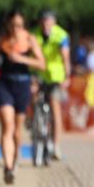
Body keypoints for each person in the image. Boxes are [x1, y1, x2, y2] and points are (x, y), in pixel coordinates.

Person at [0, 9, 46, 185]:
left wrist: (21, 59)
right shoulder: (0, 40)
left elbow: (42, 64)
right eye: (12, 25)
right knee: (7, 126)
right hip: (4, 83)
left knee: (17, 130)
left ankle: (16, 155)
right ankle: (8, 166)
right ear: (7, 24)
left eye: (19, 25)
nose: (15, 29)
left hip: (22, 84)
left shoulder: (29, 39)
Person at [34, 11, 71, 160]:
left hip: (56, 75)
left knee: (55, 107)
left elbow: (65, 58)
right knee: (33, 95)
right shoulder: (34, 35)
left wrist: (67, 77)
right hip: (38, 73)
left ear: (54, 23)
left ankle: (56, 145)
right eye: (43, 22)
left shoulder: (61, 35)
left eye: (48, 22)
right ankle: (34, 121)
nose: (45, 25)